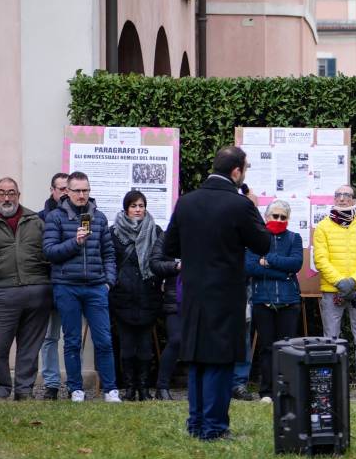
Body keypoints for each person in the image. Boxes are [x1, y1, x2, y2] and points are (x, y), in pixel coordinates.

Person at [163, 146, 271, 440]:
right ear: (236, 172)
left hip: (193, 291)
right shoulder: (239, 205)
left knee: (197, 357)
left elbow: (169, 248)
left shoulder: (186, 202)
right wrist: (253, 206)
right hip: (225, 293)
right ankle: (214, 427)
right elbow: (263, 244)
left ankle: (196, 423)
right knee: (220, 361)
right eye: (244, 170)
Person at [43, 172, 119, 402]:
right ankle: (76, 389)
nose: (81, 195)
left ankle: (111, 390)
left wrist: (108, 282)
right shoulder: (56, 218)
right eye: (76, 190)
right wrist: (74, 243)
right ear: (67, 192)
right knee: (72, 340)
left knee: (104, 339)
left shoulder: (99, 217)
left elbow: (109, 254)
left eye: (85, 190)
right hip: (67, 286)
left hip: (96, 286)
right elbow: (50, 252)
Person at [313, 184, 356, 401]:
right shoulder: (323, 227)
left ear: (354, 200)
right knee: (330, 339)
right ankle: (328, 386)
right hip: (331, 292)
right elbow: (320, 259)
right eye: (338, 195)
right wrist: (340, 283)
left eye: (346, 195)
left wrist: (352, 282)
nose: (342, 199)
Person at [0, 177, 52, 400]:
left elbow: (49, 253)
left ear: (19, 195)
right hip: (2, 293)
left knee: (30, 347)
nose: (7, 197)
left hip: (37, 292)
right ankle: (2, 386)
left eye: (11, 192)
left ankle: (24, 390)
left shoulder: (35, 221)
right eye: (2, 193)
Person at [245, 199, 304, 403]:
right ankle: (267, 391)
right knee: (267, 348)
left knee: (287, 348)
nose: (278, 220)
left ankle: (286, 390)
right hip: (263, 301)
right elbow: (250, 267)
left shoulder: (294, 238)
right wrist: (282, 273)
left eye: (283, 217)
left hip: (289, 301)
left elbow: (295, 264)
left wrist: (268, 260)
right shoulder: (256, 239)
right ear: (266, 217)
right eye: (275, 216)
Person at [109, 191, 164, 401]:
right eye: (133, 206)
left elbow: (160, 260)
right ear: (126, 209)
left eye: (141, 205)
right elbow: (110, 261)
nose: (138, 209)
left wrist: (156, 283)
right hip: (122, 296)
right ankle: (130, 388)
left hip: (147, 295)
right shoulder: (113, 233)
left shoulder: (155, 231)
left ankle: (144, 387)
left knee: (145, 347)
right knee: (127, 346)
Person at [39, 173, 69, 399]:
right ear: (52, 190)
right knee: (49, 337)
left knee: (72, 336)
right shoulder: (39, 219)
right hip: (48, 285)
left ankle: (74, 384)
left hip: (71, 285)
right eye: (61, 189)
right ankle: (51, 383)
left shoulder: (81, 216)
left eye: (69, 189)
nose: (65, 193)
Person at [150, 233, 181, 400]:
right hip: (175, 298)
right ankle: (162, 387)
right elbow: (155, 263)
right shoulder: (168, 236)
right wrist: (176, 266)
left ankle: (201, 388)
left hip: (202, 298)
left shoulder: (207, 232)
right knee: (176, 339)